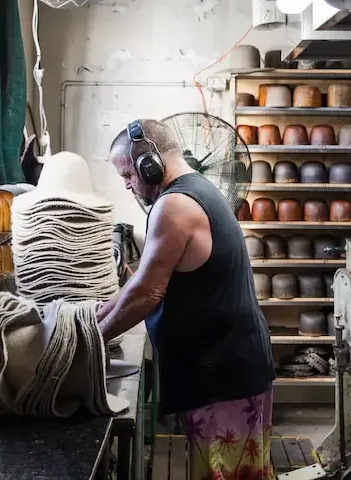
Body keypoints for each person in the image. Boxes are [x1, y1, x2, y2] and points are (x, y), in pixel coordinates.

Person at [98, 119, 276, 480]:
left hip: (222, 373)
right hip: (231, 365)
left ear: (150, 163)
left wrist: (89, 340)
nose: (128, 184)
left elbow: (148, 292)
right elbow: (142, 285)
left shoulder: (174, 206)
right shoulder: (197, 190)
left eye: (127, 174)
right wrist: (93, 320)